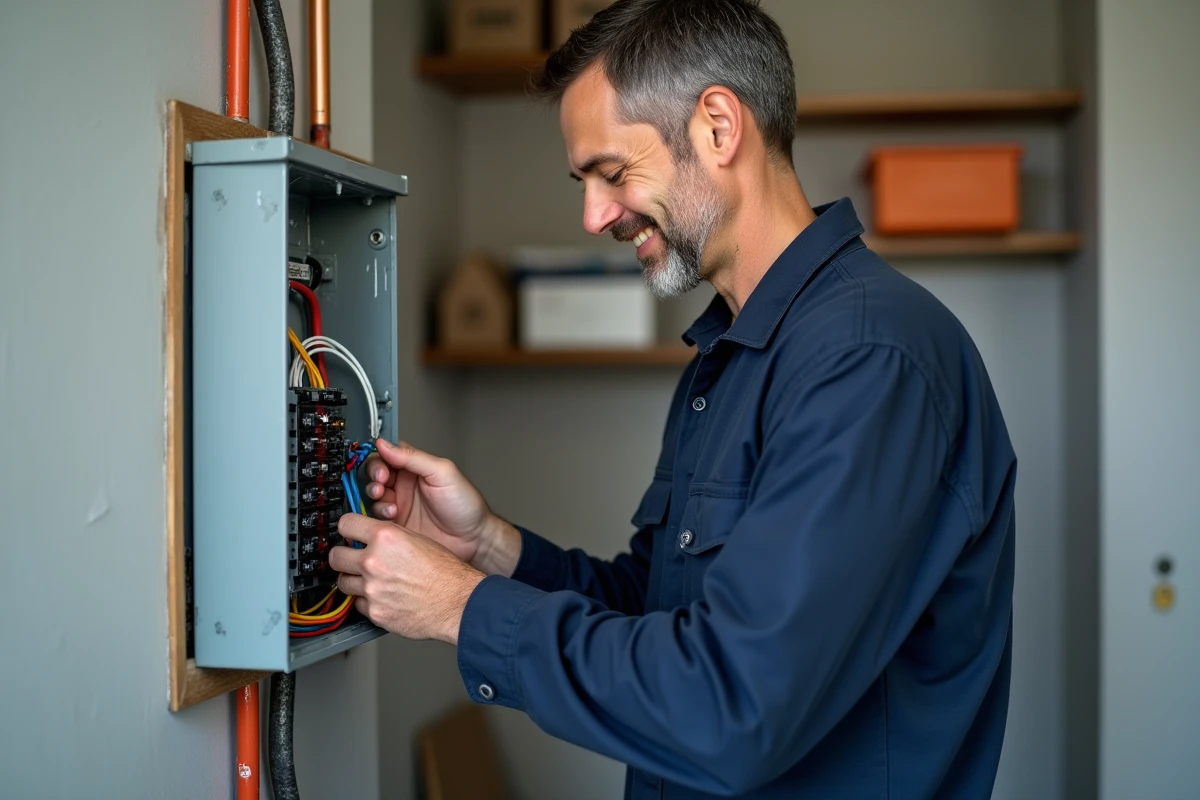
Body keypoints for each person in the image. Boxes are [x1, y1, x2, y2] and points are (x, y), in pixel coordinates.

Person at [329, 0, 1017, 796]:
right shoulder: (725, 361)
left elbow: (732, 707)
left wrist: (461, 607)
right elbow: (662, 617)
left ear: (719, 128)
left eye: (613, 173)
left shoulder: (868, 361)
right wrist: (488, 549)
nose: (594, 216)